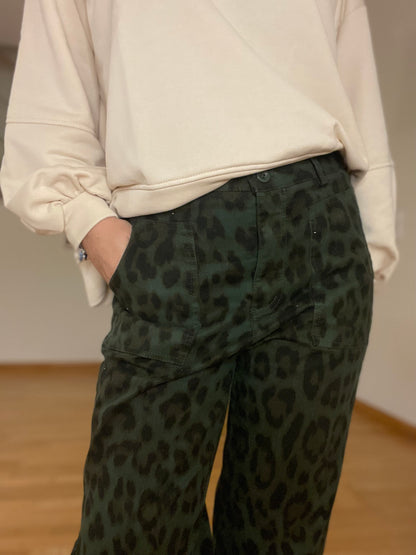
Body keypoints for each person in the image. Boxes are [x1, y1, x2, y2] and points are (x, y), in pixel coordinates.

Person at [0, 0, 399, 553]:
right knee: (130, 536)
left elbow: (354, 86)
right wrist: (97, 230)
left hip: (321, 235)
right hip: (174, 246)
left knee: (283, 537)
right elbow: (49, 107)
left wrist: (368, 245)